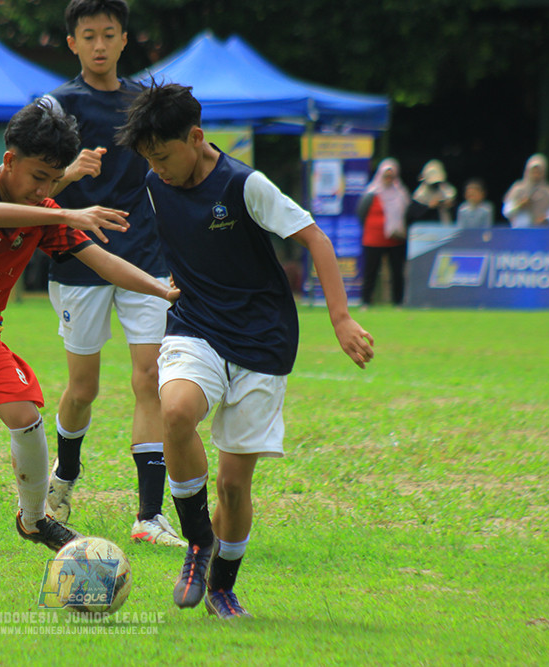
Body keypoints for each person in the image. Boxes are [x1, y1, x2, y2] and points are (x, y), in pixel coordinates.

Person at [0, 100, 180, 601]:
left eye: (54, 179)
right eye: (39, 177)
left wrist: (161, 289)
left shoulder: (42, 213)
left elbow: (102, 261)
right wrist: (63, 208)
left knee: (24, 412)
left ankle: (35, 518)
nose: (44, 190)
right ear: (9, 158)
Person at [115, 82, 373, 620]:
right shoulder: (154, 182)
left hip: (262, 340)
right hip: (195, 326)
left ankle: (222, 588)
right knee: (177, 410)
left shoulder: (245, 185)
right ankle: (195, 543)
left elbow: (317, 241)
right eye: (149, 159)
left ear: (197, 137)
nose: (157, 169)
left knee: (234, 485)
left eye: (164, 156)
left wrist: (342, 320)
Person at [41, 0, 184, 548]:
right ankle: (66, 473)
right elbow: (29, 194)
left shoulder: (144, 105)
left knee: (150, 379)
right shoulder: (55, 109)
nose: (99, 45)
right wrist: (69, 172)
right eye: (88, 36)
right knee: (84, 387)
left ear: (125, 40)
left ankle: (149, 515)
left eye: (109, 34)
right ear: (72, 43)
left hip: (145, 256)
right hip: (77, 260)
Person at [357, 158, 411, 307]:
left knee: (397, 271)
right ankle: (366, 301)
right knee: (371, 271)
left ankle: (398, 302)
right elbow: (361, 214)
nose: (388, 179)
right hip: (374, 239)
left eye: (391, 176)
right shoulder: (371, 194)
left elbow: (407, 214)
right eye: (386, 176)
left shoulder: (401, 194)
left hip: (395, 238)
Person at [502, 153, 549, 228]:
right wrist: (519, 205)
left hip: (542, 232)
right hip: (521, 230)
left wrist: (545, 219)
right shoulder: (518, 189)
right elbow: (506, 211)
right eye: (533, 171)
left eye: (539, 172)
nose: (536, 174)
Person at [409, 159, 457, 225]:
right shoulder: (419, 195)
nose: (435, 185)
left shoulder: (448, 191)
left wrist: (450, 205)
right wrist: (429, 207)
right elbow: (413, 216)